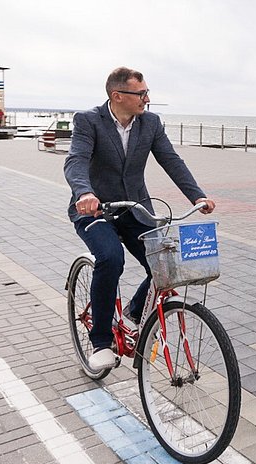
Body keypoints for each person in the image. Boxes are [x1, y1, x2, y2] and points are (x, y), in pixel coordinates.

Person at [64, 67, 215, 371]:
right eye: (141, 93)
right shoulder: (88, 121)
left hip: (134, 208)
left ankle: (134, 312)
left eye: (147, 92)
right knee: (111, 258)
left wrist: (197, 196)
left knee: (165, 266)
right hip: (95, 210)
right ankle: (101, 341)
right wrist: (84, 193)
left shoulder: (150, 123)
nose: (147, 98)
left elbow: (171, 160)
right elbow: (75, 160)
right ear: (117, 96)